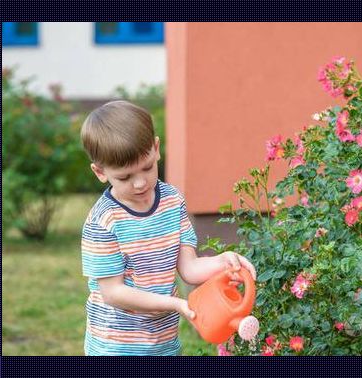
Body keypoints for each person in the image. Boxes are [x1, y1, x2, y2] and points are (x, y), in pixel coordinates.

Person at [79, 100, 256, 356]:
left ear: (157, 149)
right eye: (125, 177)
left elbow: (189, 268)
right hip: (116, 346)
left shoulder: (172, 201)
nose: (140, 183)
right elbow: (113, 292)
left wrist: (225, 262)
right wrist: (175, 304)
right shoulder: (103, 222)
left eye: (147, 167)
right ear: (100, 172)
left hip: (163, 342)